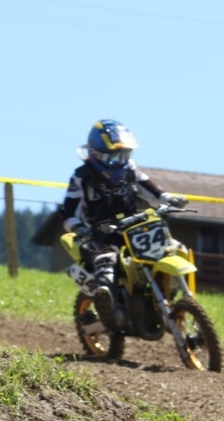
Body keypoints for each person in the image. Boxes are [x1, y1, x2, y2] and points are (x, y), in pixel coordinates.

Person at [61, 119, 186, 329]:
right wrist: (79, 228)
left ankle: (167, 298)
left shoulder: (131, 169)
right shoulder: (81, 177)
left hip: (133, 225)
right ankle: (107, 304)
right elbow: (67, 213)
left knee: (174, 247)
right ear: (95, 154)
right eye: (111, 157)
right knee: (107, 259)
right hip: (99, 232)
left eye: (123, 155)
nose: (118, 162)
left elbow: (152, 190)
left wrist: (170, 199)